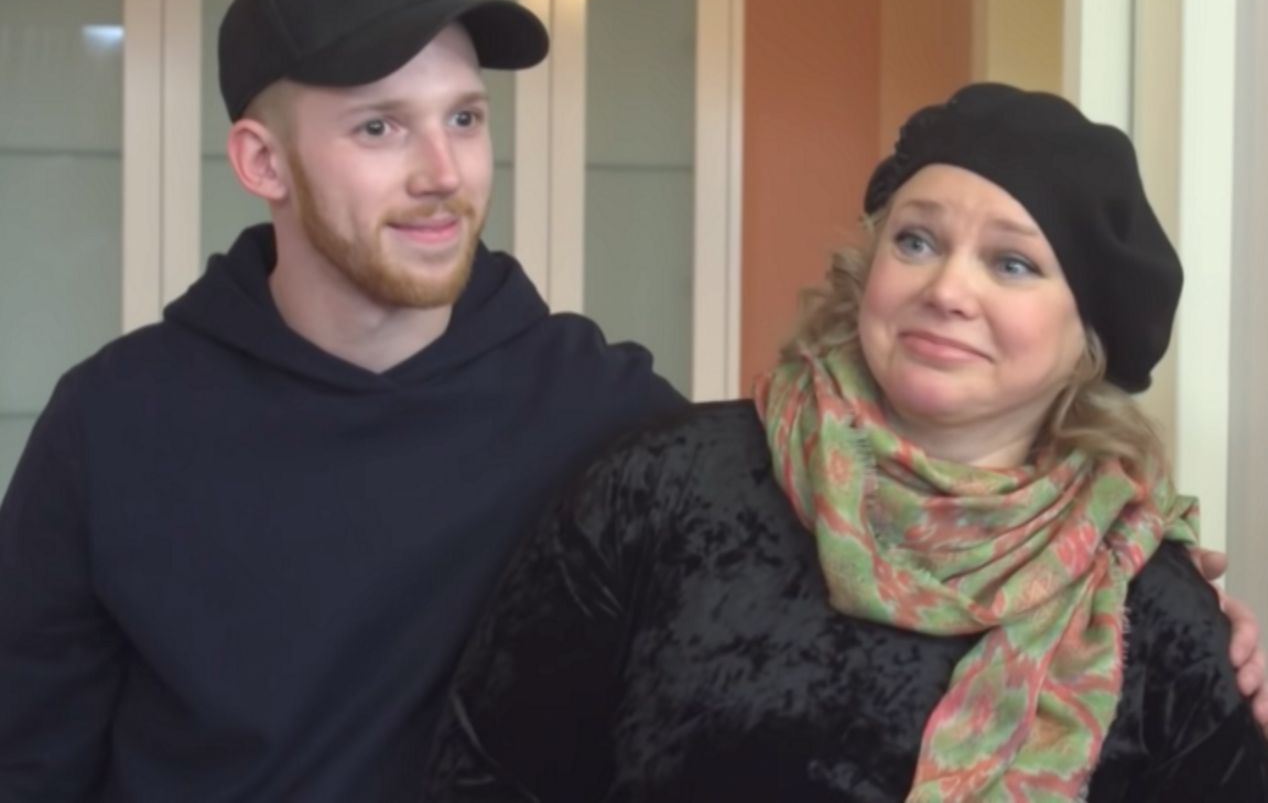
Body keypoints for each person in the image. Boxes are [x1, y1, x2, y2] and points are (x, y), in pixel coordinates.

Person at [424, 84, 1268, 801]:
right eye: (916, 241)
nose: (947, 289)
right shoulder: (663, 487)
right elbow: (488, 773)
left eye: (1012, 263)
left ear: (1089, 337)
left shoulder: (1150, 606)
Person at [0, 0, 683, 799]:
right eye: (379, 126)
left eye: (464, 118)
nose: (444, 173)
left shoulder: (607, 416)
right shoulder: (112, 424)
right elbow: (25, 760)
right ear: (263, 161)